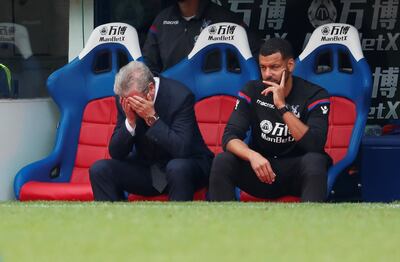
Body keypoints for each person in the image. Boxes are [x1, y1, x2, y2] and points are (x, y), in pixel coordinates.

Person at [209, 38, 332, 202]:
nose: (267, 74)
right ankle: (221, 225)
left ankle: (312, 225)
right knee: (223, 160)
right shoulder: (252, 90)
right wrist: (252, 156)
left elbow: (314, 144)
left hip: (297, 173)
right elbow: (229, 137)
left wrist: (282, 106)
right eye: (263, 67)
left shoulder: (315, 94)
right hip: (262, 170)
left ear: (290, 65)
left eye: (274, 67)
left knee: (315, 161)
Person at [89, 61, 213, 201]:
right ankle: (114, 220)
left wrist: (152, 118)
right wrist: (130, 122)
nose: (130, 105)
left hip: (187, 166)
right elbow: (116, 153)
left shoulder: (180, 96)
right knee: (100, 170)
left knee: (176, 168)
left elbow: (181, 149)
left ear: (151, 88)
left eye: (135, 101)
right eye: (125, 100)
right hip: (151, 169)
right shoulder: (124, 99)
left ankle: (178, 221)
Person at [142, 0, 260, 74]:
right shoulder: (162, 19)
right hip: (172, 99)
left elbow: (254, 55)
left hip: (212, 97)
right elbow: (148, 63)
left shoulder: (225, 19)